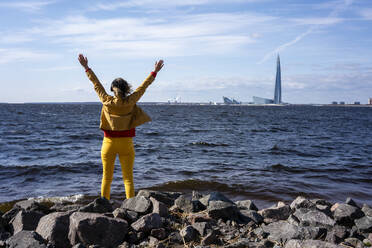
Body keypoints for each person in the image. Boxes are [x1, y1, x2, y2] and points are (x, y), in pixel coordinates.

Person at [78, 54, 164, 200]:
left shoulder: (106, 100)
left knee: (106, 178)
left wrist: (86, 67)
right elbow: (143, 87)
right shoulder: (131, 101)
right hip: (126, 144)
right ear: (126, 89)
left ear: (112, 89)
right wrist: (154, 72)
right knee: (128, 179)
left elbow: (96, 84)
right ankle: (131, 206)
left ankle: (104, 205)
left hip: (108, 144)